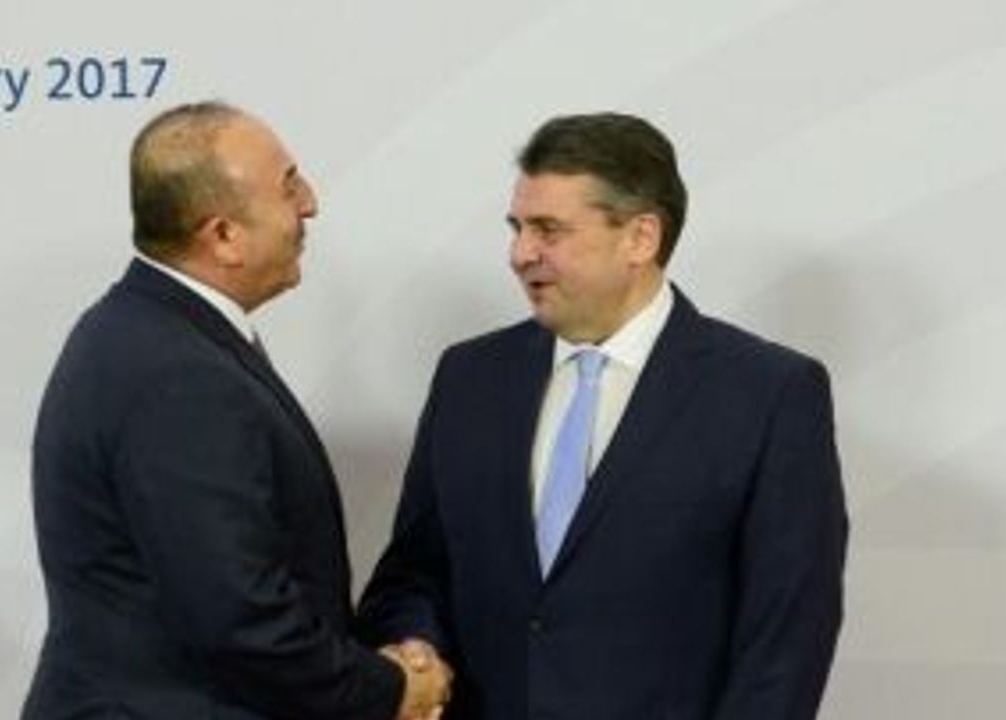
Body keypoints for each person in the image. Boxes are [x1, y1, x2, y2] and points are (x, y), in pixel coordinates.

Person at [358, 112, 848, 719]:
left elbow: (787, 638)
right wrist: (416, 651)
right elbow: (413, 574)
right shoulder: (470, 377)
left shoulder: (768, 393)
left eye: (548, 230)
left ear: (640, 237)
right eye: (516, 228)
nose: (519, 253)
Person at [23, 101, 450, 720]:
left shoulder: (145, 332)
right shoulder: (178, 374)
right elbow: (241, 620)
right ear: (222, 235)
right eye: (288, 186)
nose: (310, 203)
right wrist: (390, 691)